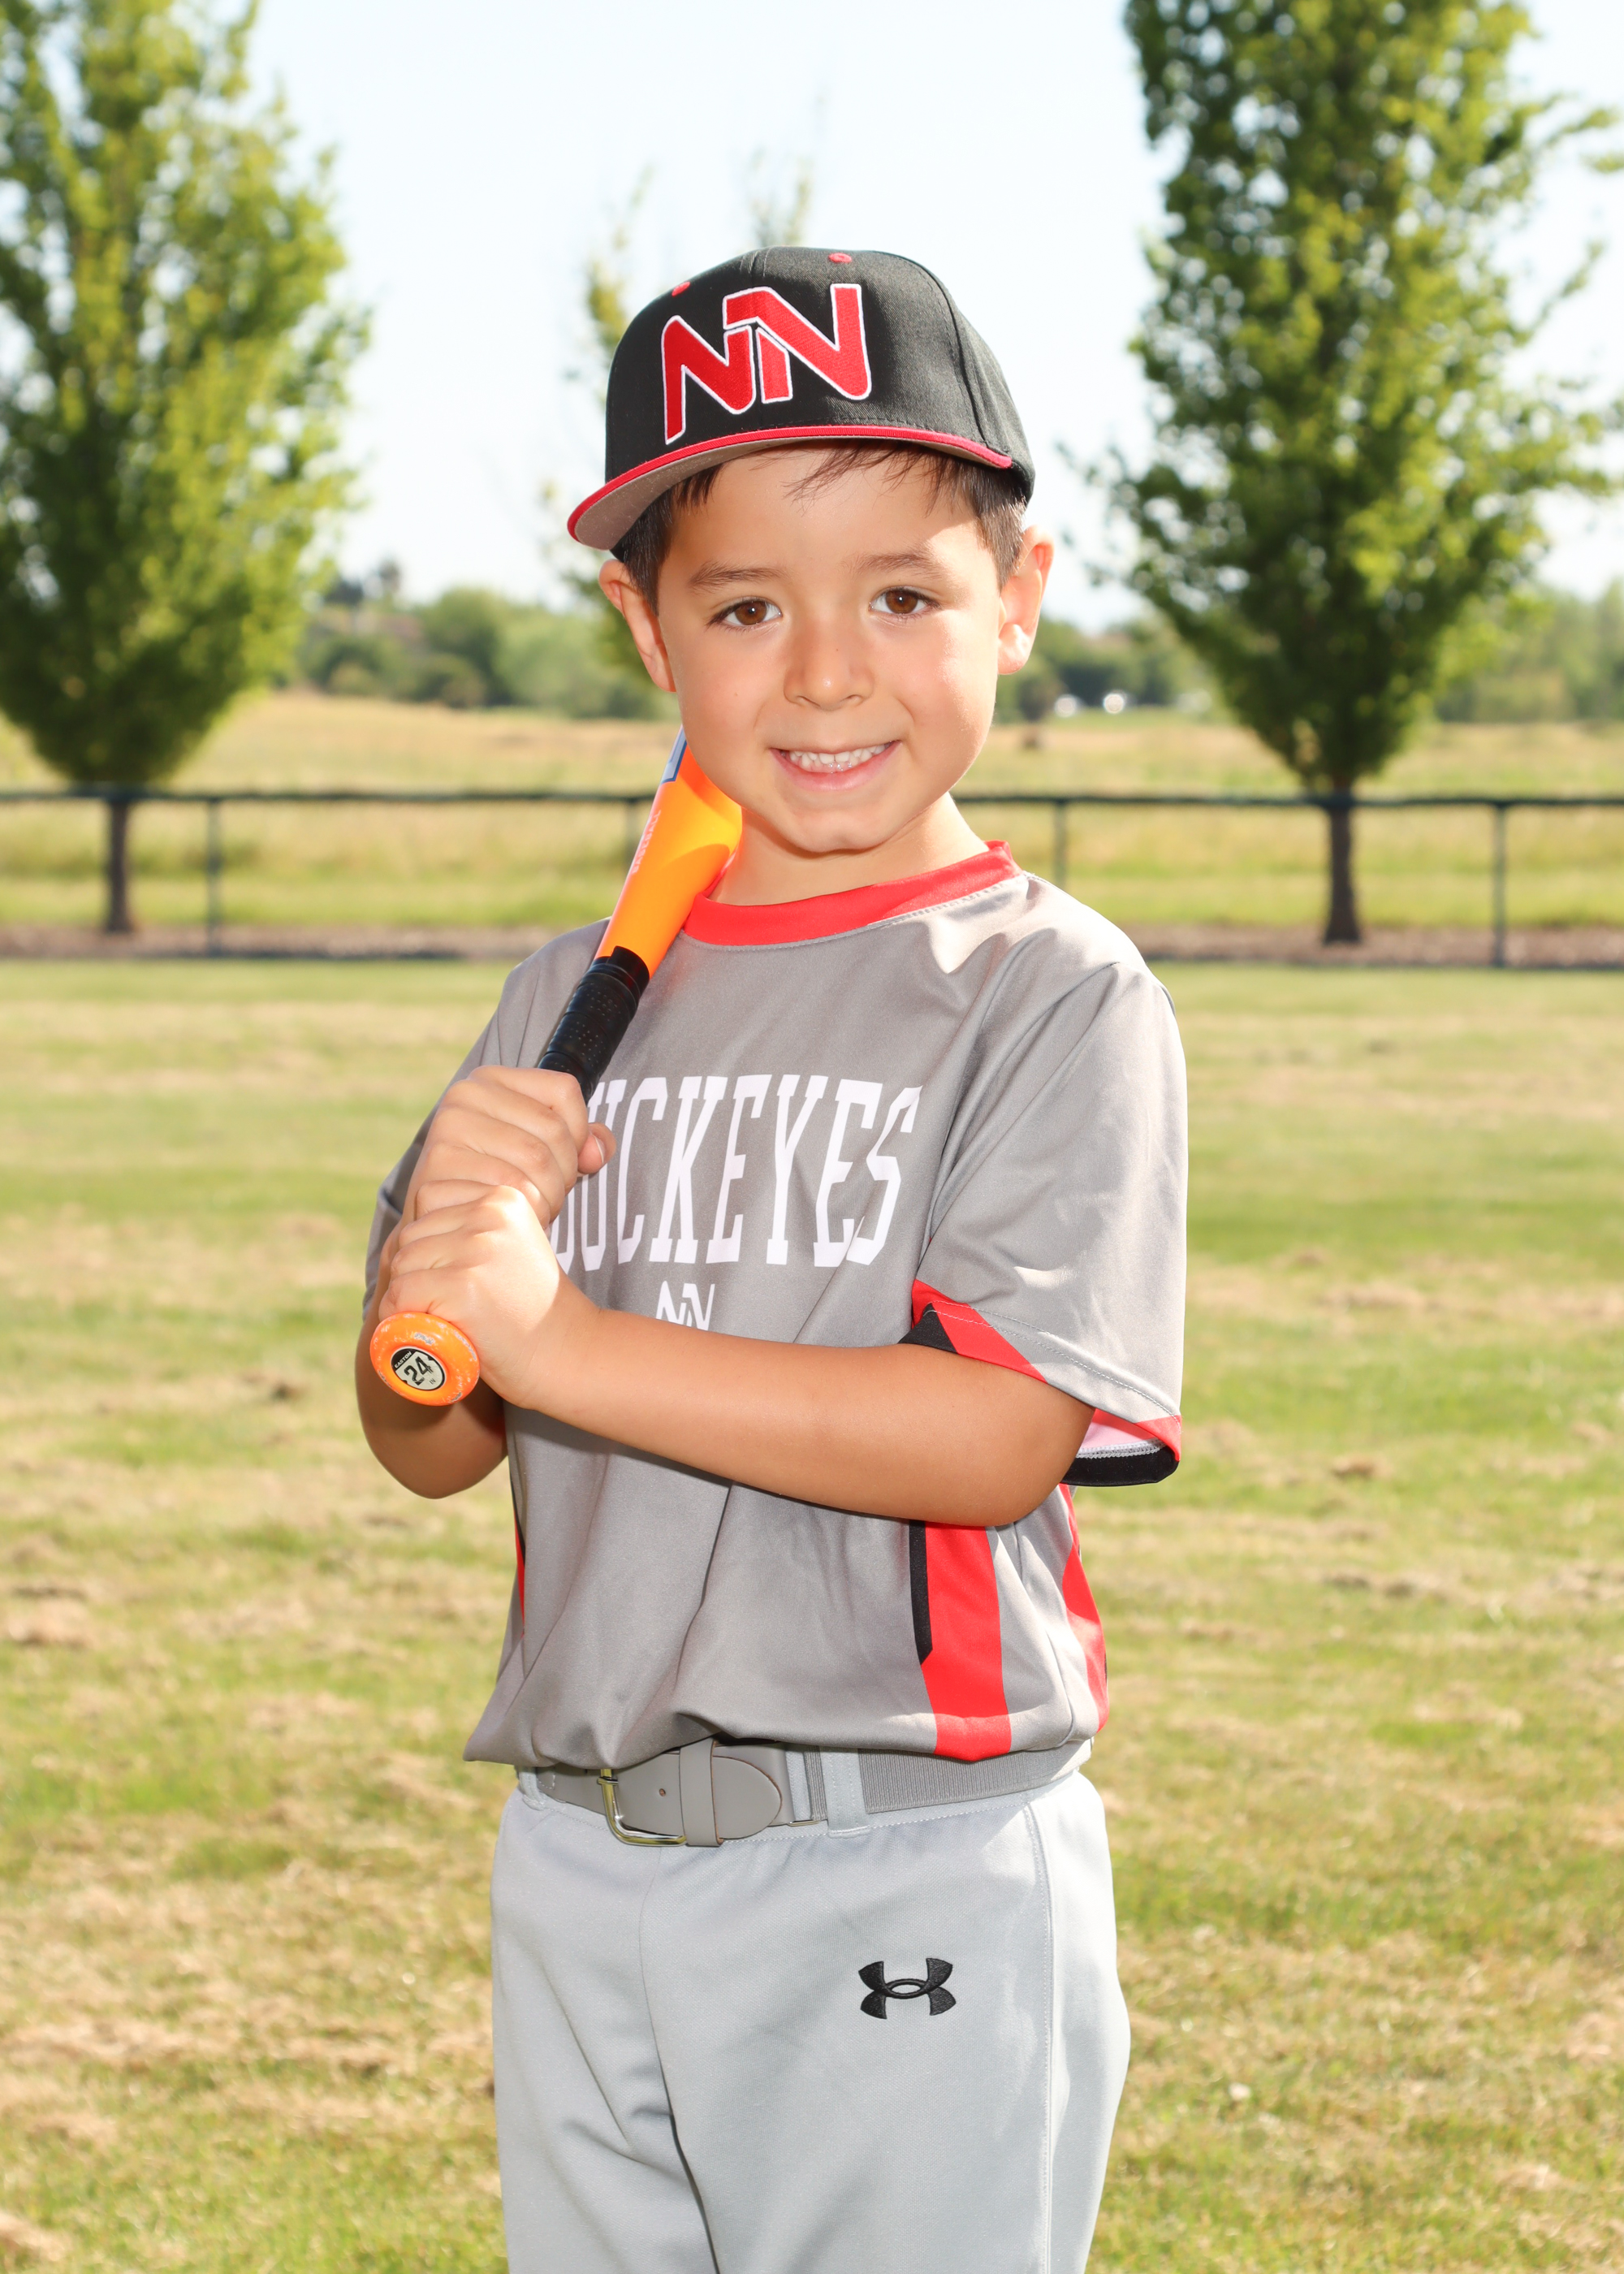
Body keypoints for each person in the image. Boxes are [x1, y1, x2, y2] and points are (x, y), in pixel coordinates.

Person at [356, 247, 1186, 2274]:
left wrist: (557, 1338)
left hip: (897, 1851)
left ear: (1019, 596)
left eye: (901, 595)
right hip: (581, 1846)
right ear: (648, 628)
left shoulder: (1047, 992)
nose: (823, 673)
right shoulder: (572, 994)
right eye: (744, 606)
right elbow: (432, 1439)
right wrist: (424, 1309)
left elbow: (990, 1436)